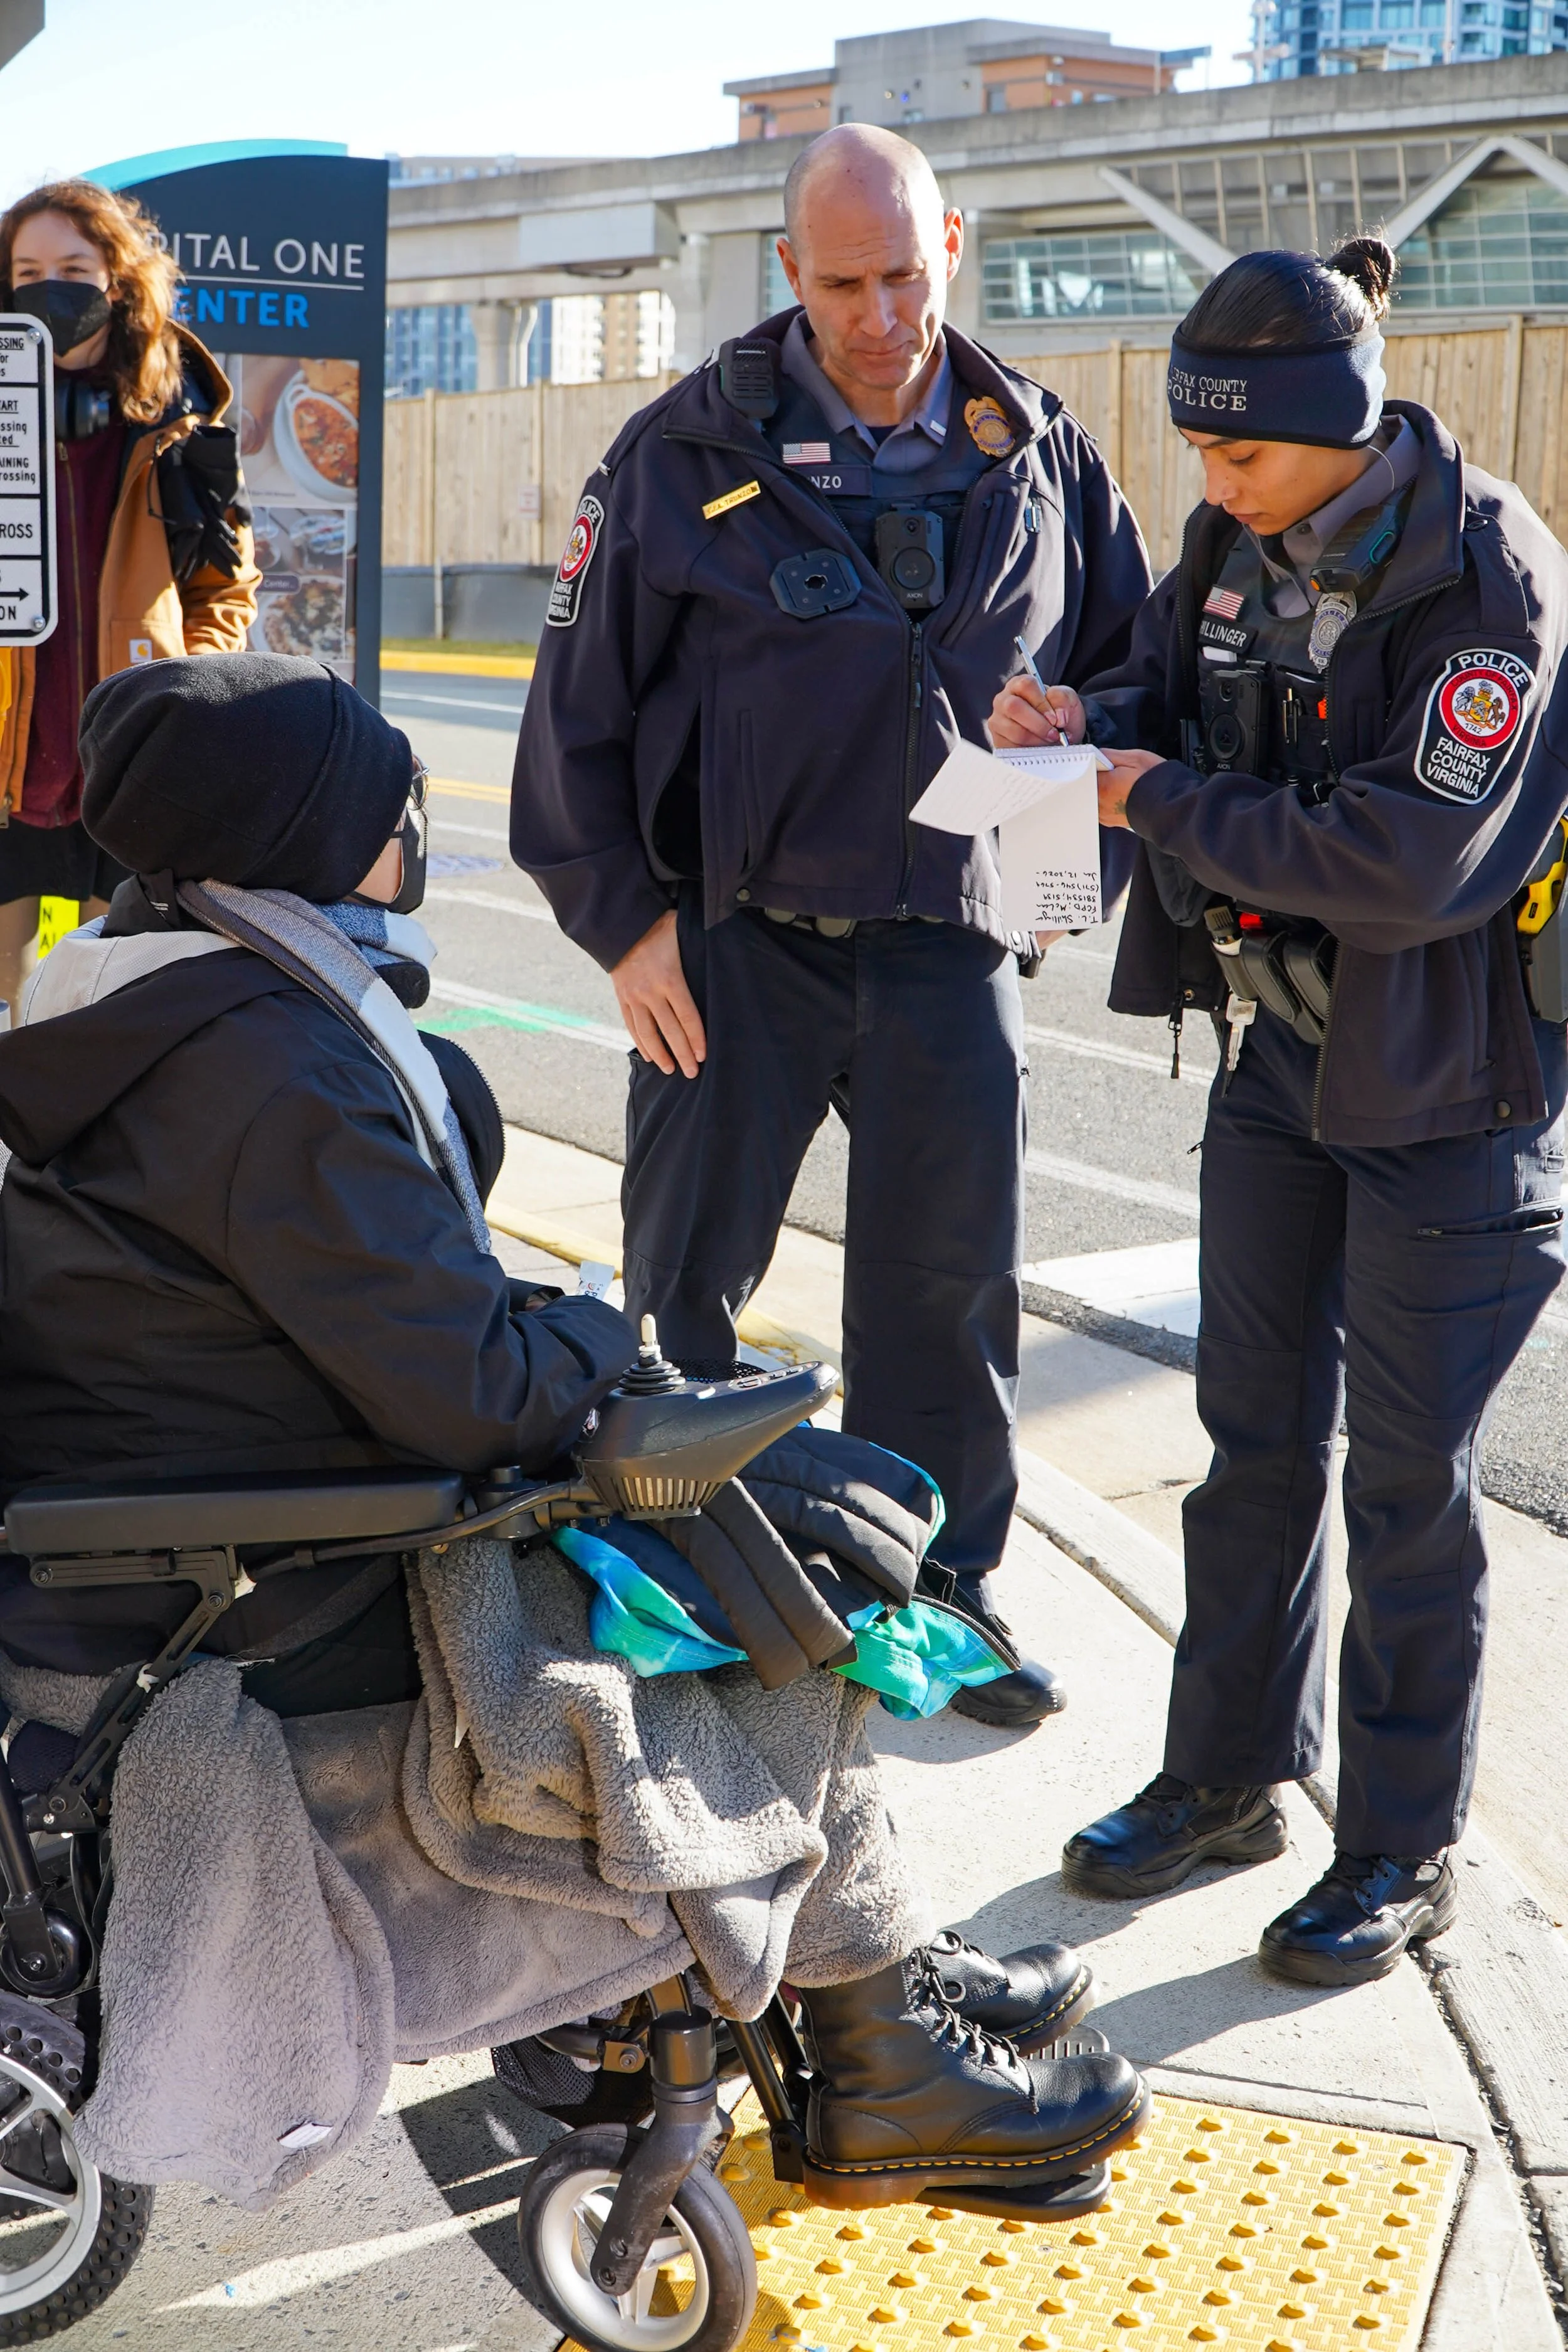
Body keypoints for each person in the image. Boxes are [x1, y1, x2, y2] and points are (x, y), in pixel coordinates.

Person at [0, 650, 1148, 2206]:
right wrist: (606, 1327)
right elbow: (472, 1390)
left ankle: (873, 1967)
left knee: (772, 1504)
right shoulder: (266, 1070)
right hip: (258, 1585)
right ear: (299, 834)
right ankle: (880, 2061)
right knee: (757, 1596)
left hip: (236, 1506)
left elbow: (394, 1323)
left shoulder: (174, 993)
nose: (410, 830)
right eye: (385, 805)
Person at [512, 124, 1152, 1730]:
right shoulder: (679, 449)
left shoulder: (1044, 453)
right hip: (734, 942)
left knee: (950, 1297)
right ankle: (665, 1579)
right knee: (682, 1291)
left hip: (951, 937)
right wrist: (625, 929)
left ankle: (937, 1595)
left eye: (904, 277)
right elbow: (572, 714)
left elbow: (1136, 678)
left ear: (954, 248)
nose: (879, 317)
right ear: (790, 270)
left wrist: (1073, 795)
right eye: (843, 283)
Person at [991, 239, 1568, 1988]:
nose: (1211, 477)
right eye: (1198, 447)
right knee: (1247, 1440)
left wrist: (1147, 794)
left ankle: (1397, 1846)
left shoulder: (1487, 577)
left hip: (1449, 1095)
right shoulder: (1228, 543)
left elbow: (1408, 861)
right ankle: (1227, 1776)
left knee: (1405, 1482)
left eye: (1235, 448)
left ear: (1336, 424)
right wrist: (1078, 721)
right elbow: (1166, 700)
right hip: (1279, 1065)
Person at [0, 178, 258, 1015]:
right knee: (6, 997)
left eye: (74, 269)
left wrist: (190, 684)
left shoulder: (182, 419)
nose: (50, 288)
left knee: (110, 1005)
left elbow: (226, 584)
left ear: (117, 279)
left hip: (132, 762)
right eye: (28, 272)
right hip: (7, 764)